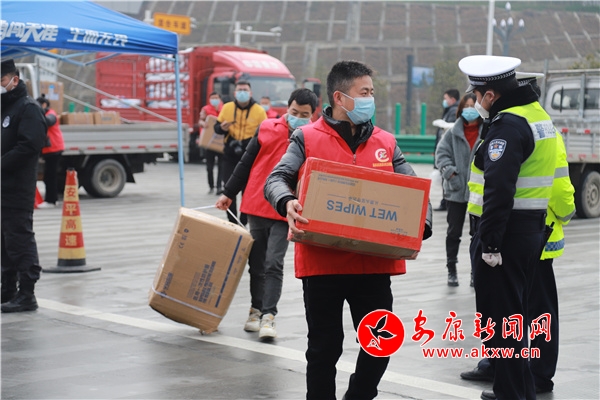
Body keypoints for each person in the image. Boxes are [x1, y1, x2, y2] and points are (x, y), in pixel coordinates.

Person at [264, 60, 433, 400]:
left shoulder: (386, 142)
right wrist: (286, 201)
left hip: (373, 264)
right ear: (340, 98)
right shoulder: (306, 137)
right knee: (324, 347)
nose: (371, 99)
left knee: (380, 343)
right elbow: (277, 179)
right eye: (364, 92)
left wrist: (421, 225)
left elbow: (416, 192)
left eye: (372, 92)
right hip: (323, 263)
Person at [460, 71, 575, 396]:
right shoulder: (539, 120)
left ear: (491, 94)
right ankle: (519, 384)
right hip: (528, 231)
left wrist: (490, 243)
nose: (475, 102)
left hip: (509, 233)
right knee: (514, 315)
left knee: (511, 318)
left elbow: (500, 188)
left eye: (477, 95)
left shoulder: (510, 125)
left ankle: (517, 387)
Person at [216, 88, 318, 339]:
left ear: (312, 115)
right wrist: (229, 192)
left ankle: (269, 315)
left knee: (274, 262)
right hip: (256, 204)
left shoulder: (314, 137)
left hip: (287, 209)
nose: (297, 117)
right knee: (257, 263)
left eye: (304, 115)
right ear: (287, 108)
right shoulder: (266, 128)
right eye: (294, 112)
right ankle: (255, 310)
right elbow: (246, 163)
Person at [1, 59, 47, 313]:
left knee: (19, 239)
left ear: (14, 79)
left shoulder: (28, 108)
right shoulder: (5, 107)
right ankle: (7, 288)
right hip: (2, 188)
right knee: (4, 242)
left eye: (0, 81)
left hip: (17, 188)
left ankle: (27, 293)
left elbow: (28, 147)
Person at [435, 93, 483, 287]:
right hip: (455, 191)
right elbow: (441, 155)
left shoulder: (487, 133)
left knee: (477, 234)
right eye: (466, 106)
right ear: (461, 109)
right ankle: (451, 270)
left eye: (473, 106)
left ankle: (475, 272)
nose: (470, 110)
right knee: (453, 232)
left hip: (478, 193)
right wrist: (451, 174)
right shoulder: (452, 133)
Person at [214, 81, 267, 225]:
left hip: (249, 156)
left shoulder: (259, 111)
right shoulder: (227, 107)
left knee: (247, 191)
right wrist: (222, 128)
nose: (242, 92)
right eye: (239, 90)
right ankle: (232, 222)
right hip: (229, 154)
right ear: (235, 93)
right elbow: (216, 128)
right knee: (228, 188)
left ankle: (244, 221)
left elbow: (265, 133)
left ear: (250, 93)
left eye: (245, 90)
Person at [36, 94, 65, 208]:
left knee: (50, 176)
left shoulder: (51, 113)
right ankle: (52, 199)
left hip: (54, 149)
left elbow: (49, 121)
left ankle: (51, 200)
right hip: (49, 150)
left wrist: (37, 114)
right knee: (49, 175)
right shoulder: (45, 114)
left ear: (44, 105)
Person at [433, 89, 460, 211]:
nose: (444, 101)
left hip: (449, 151)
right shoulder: (451, 110)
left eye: (446, 98)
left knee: (446, 175)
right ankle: (445, 201)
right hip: (447, 149)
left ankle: (446, 202)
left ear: (452, 99)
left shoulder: (453, 111)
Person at [199, 92, 223, 194]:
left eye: (216, 98)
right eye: (212, 98)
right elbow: (200, 120)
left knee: (221, 166)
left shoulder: (224, 109)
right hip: (209, 143)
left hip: (221, 143)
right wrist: (203, 123)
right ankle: (211, 186)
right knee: (209, 167)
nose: (214, 100)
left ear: (220, 99)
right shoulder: (205, 109)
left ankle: (219, 187)